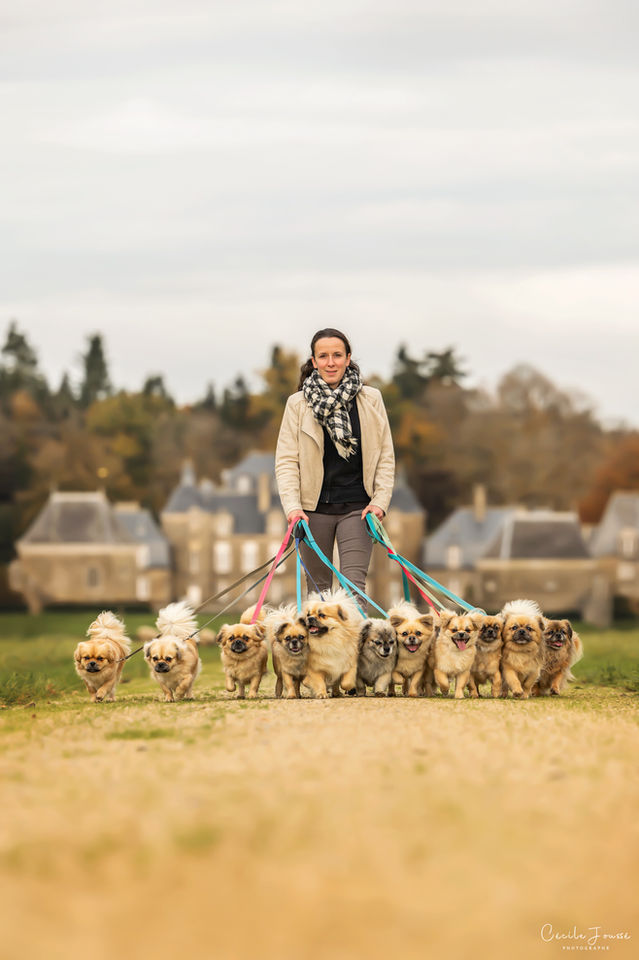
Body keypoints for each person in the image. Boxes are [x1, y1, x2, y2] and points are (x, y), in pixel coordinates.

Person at [275, 328, 395, 599]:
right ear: (314, 361)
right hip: (312, 511)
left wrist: (380, 502)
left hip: (358, 508)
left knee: (354, 589)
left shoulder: (371, 399)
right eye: (323, 356)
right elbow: (286, 461)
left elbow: (385, 456)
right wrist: (293, 508)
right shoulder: (297, 404)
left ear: (348, 358)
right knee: (318, 593)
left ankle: (356, 629)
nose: (331, 362)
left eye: (337, 355)